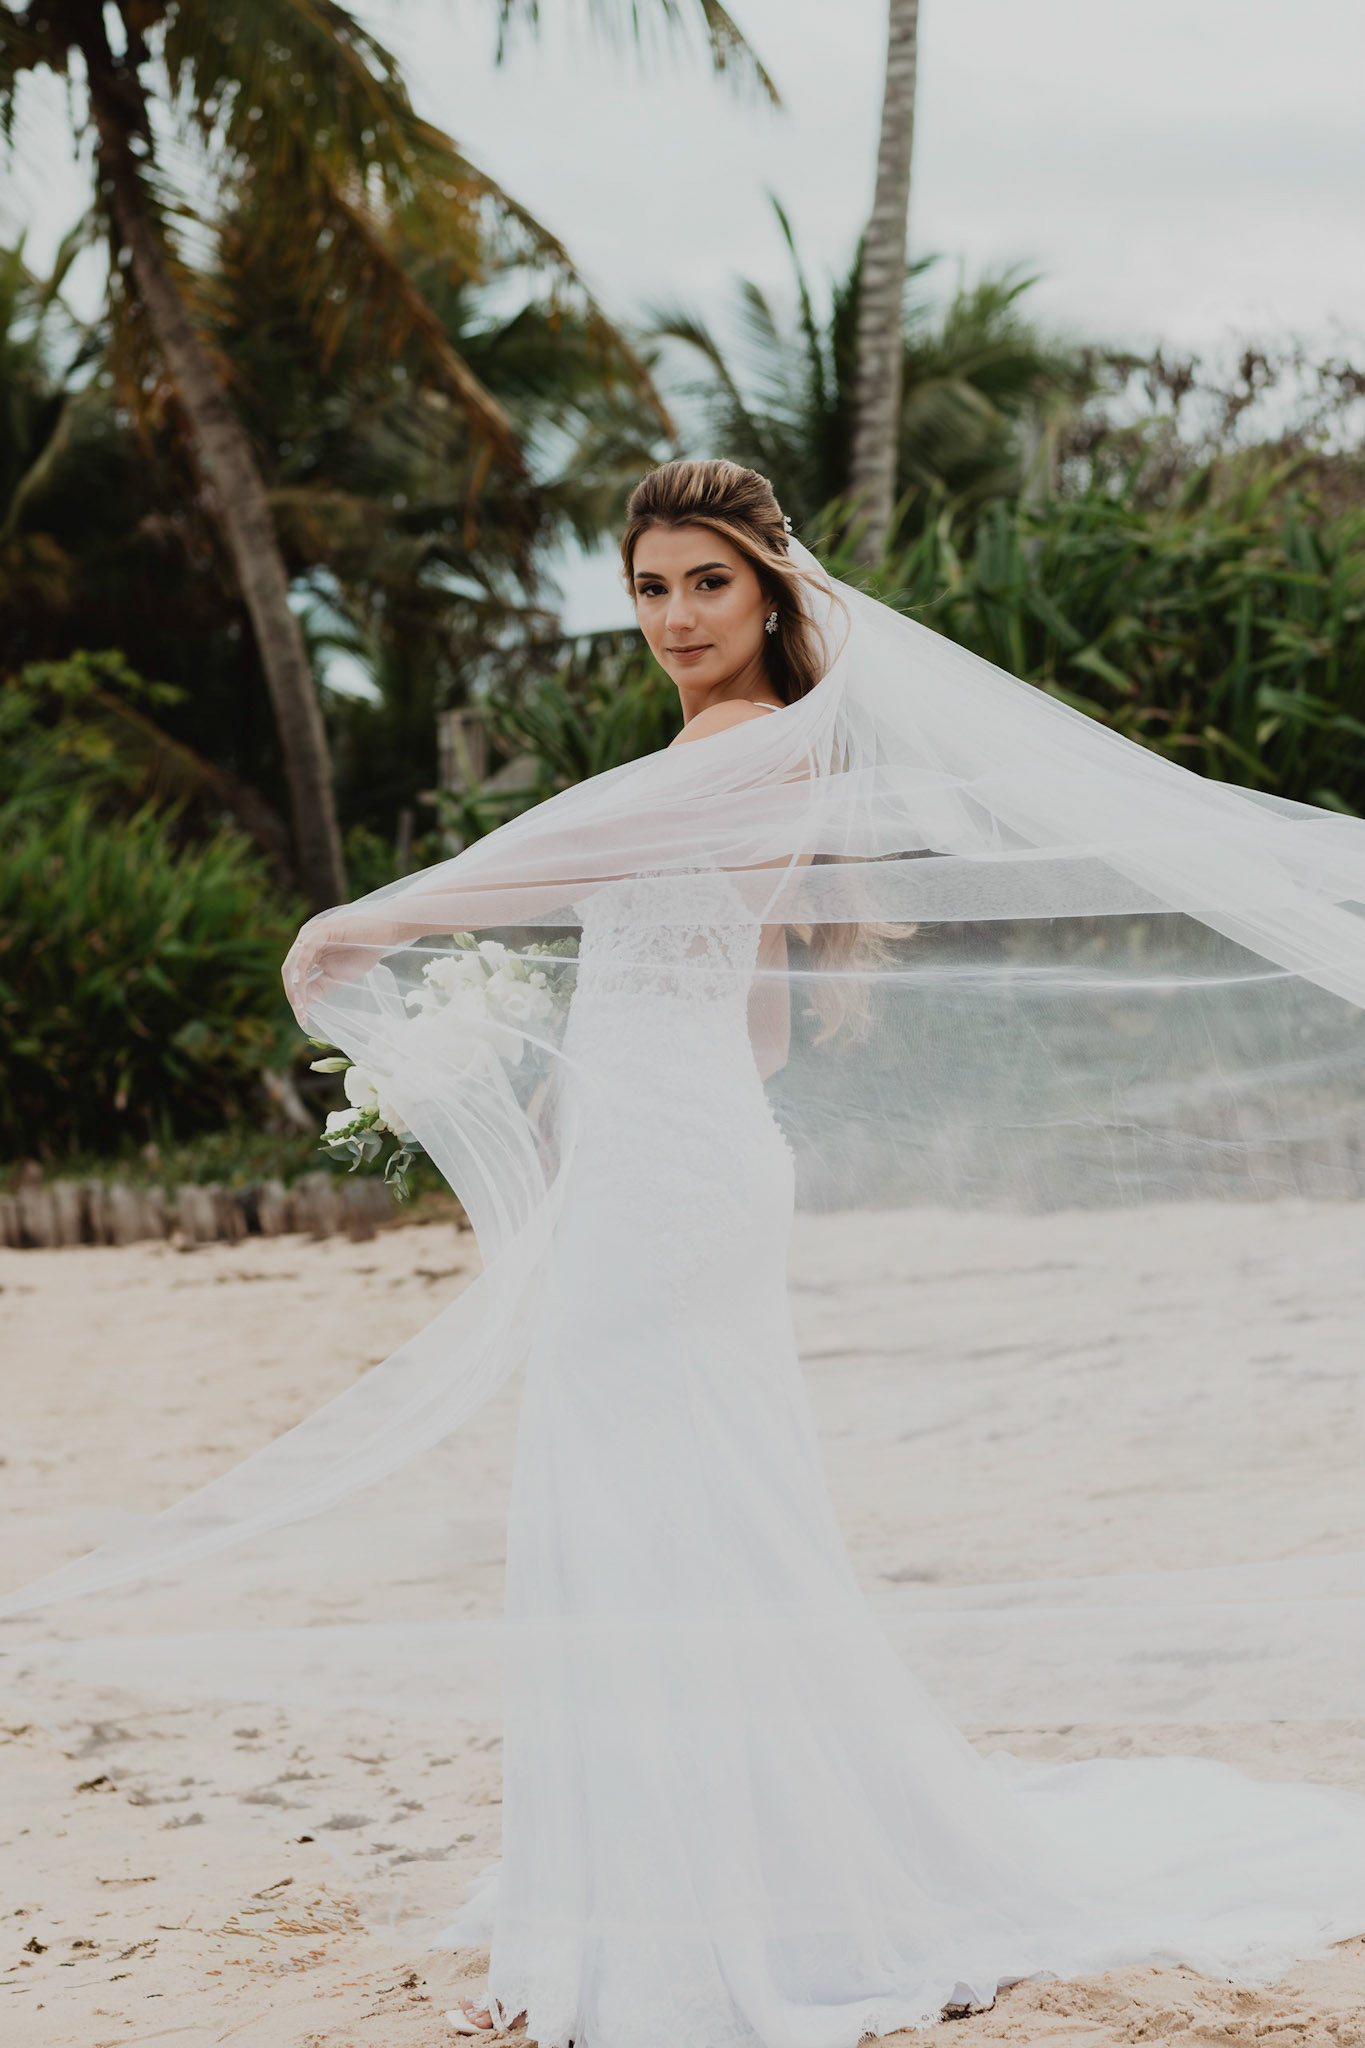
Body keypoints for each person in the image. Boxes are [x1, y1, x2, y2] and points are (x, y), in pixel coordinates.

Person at [5, 460, 1364, 2045]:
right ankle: (724, 1867)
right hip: (689, 1160)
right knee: (696, 1506)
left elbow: (528, 870)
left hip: (678, 1179)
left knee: (635, 1508)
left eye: (703, 584)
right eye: (647, 589)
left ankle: (687, 1897)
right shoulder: (761, 761)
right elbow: (760, 1025)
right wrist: (609, 1086)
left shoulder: (729, 754)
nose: (671, 618)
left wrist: (356, 929)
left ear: (771, 591)